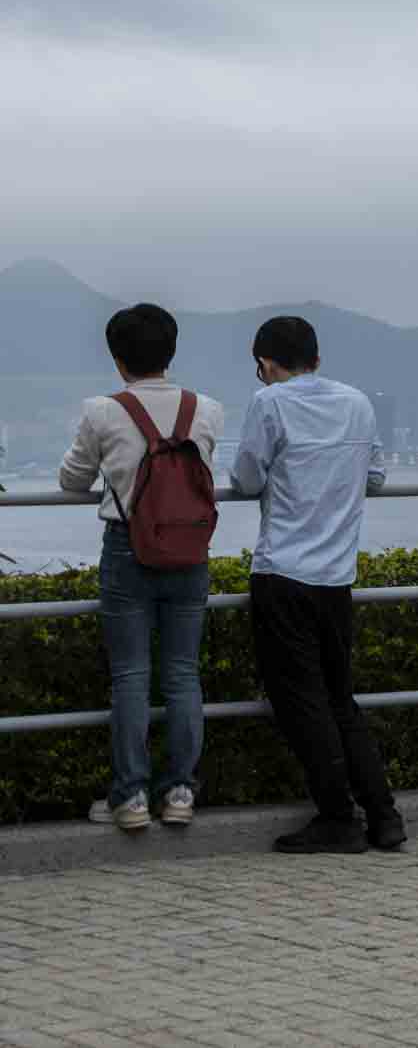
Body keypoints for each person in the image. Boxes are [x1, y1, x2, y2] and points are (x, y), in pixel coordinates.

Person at [230, 315, 406, 854]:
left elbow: (246, 478)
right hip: (336, 576)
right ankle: (384, 815)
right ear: (317, 358)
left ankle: (337, 818)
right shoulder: (357, 403)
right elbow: (374, 477)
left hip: (283, 573)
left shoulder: (270, 403)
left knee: (301, 701)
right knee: (338, 698)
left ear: (265, 364)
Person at [57, 304, 223, 832]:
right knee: (183, 674)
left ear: (117, 357)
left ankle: (129, 799)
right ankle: (179, 793)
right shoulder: (207, 410)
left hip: (128, 549)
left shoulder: (103, 411)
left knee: (130, 676)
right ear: (171, 352)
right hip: (190, 549)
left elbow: (72, 481)